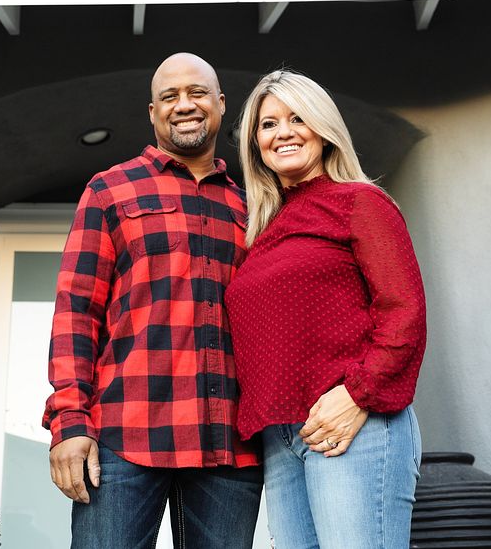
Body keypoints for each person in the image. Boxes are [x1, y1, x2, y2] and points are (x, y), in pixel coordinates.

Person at [43, 53, 263, 548]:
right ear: (152, 111)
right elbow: (76, 311)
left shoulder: (252, 206)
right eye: (170, 96)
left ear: (221, 104)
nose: (184, 105)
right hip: (124, 437)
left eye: (198, 93)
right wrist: (70, 420)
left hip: (229, 445)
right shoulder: (109, 190)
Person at [224, 69, 426, 549]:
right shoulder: (264, 230)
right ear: (256, 144)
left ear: (324, 129)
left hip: (355, 422)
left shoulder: (360, 202)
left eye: (297, 118)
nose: (284, 133)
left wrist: (357, 394)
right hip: (282, 438)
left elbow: (404, 312)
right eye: (268, 124)